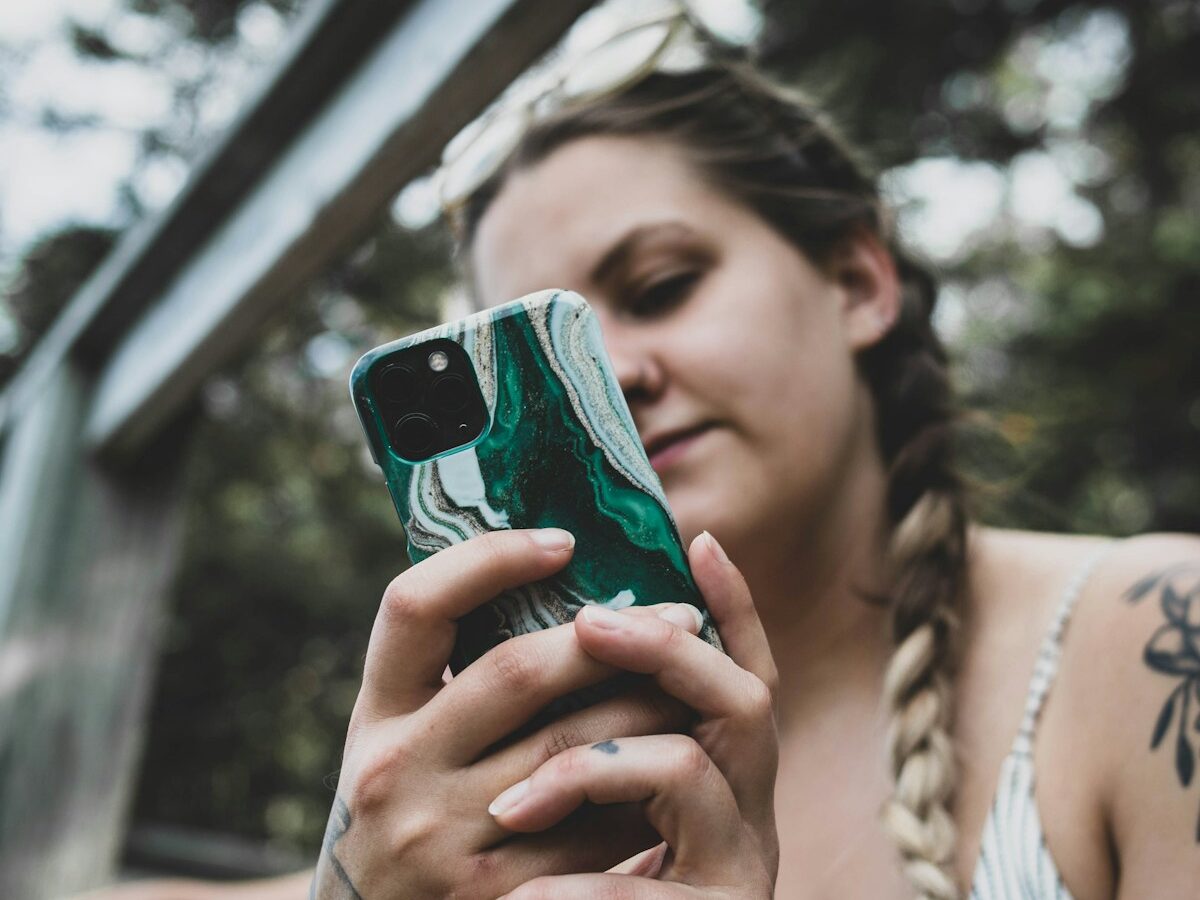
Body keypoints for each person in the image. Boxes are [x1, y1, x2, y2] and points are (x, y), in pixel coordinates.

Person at [88, 6, 1200, 900]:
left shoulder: (1151, 641)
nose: (612, 373)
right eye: (541, 355)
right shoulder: (513, 805)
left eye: (663, 287)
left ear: (858, 281)